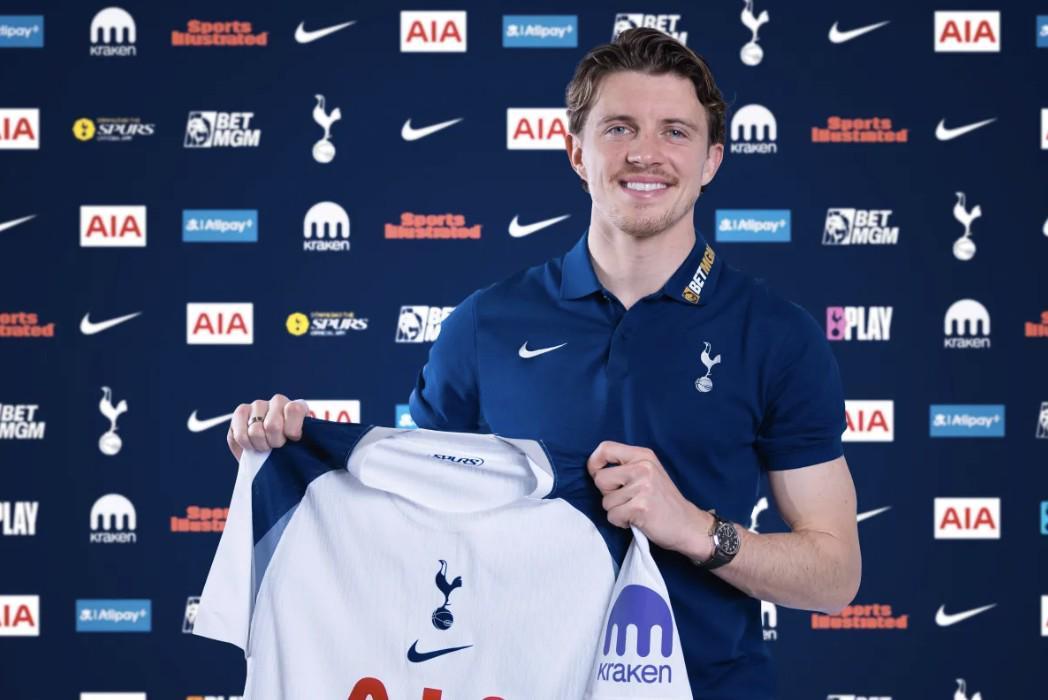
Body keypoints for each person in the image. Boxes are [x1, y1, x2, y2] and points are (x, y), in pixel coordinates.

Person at [228, 27, 861, 699]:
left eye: (675, 132)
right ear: (576, 152)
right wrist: (292, 455)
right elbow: (406, 525)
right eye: (619, 128)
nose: (645, 153)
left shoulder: (777, 334)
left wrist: (696, 530)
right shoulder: (485, 325)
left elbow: (834, 575)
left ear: (711, 161)